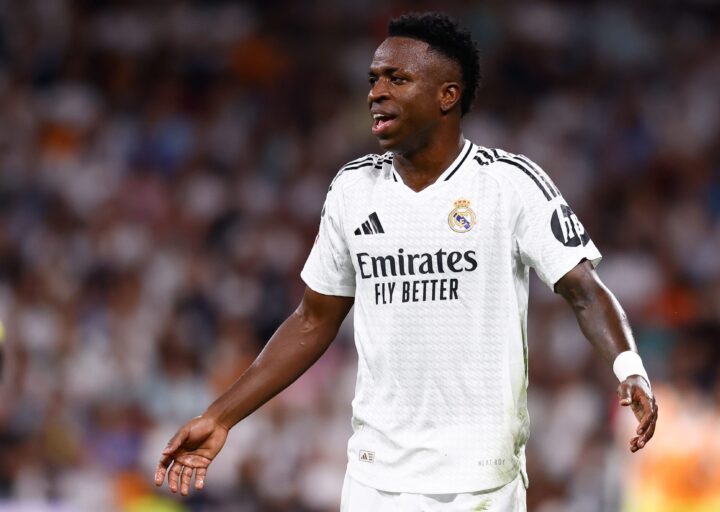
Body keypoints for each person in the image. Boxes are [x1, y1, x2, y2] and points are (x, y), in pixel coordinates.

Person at [154, 12, 658, 511]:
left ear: (447, 95)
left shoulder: (509, 184)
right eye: (374, 79)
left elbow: (583, 289)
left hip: (478, 481)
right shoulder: (352, 189)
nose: (377, 92)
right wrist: (220, 417)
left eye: (398, 78)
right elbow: (312, 320)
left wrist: (629, 367)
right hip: (375, 478)